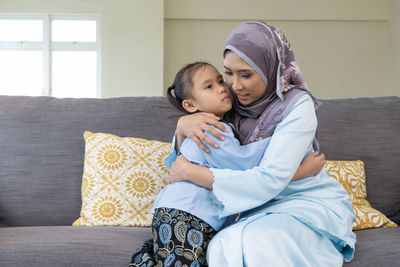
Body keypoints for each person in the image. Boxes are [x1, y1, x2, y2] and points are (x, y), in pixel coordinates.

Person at [170, 21, 356, 266]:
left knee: (258, 243)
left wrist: (191, 172)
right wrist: (182, 127)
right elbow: (191, 155)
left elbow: (269, 179)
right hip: (251, 209)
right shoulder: (226, 102)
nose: (235, 85)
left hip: (302, 203)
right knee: (222, 246)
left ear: (271, 68)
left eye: (246, 74)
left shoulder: (297, 107)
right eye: (228, 73)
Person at [129, 61, 326, 267]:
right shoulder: (211, 128)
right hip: (187, 214)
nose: (222, 87)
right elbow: (245, 162)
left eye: (220, 80)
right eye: (209, 86)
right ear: (190, 105)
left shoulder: (208, 126)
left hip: (180, 213)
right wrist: (282, 138)